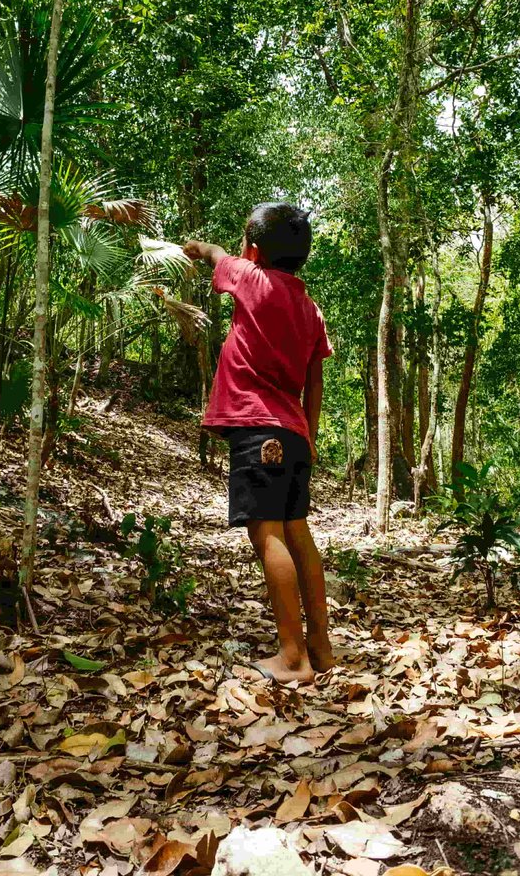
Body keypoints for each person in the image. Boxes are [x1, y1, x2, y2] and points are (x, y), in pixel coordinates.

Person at [182, 202, 336, 684]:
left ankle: (292, 658)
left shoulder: (250, 278)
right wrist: (309, 435)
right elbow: (315, 381)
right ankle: (320, 648)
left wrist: (197, 247)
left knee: (267, 533)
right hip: (294, 432)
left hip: (258, 428)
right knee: (297, 531)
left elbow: (216, 254)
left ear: (253, 250)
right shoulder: (310, 309)